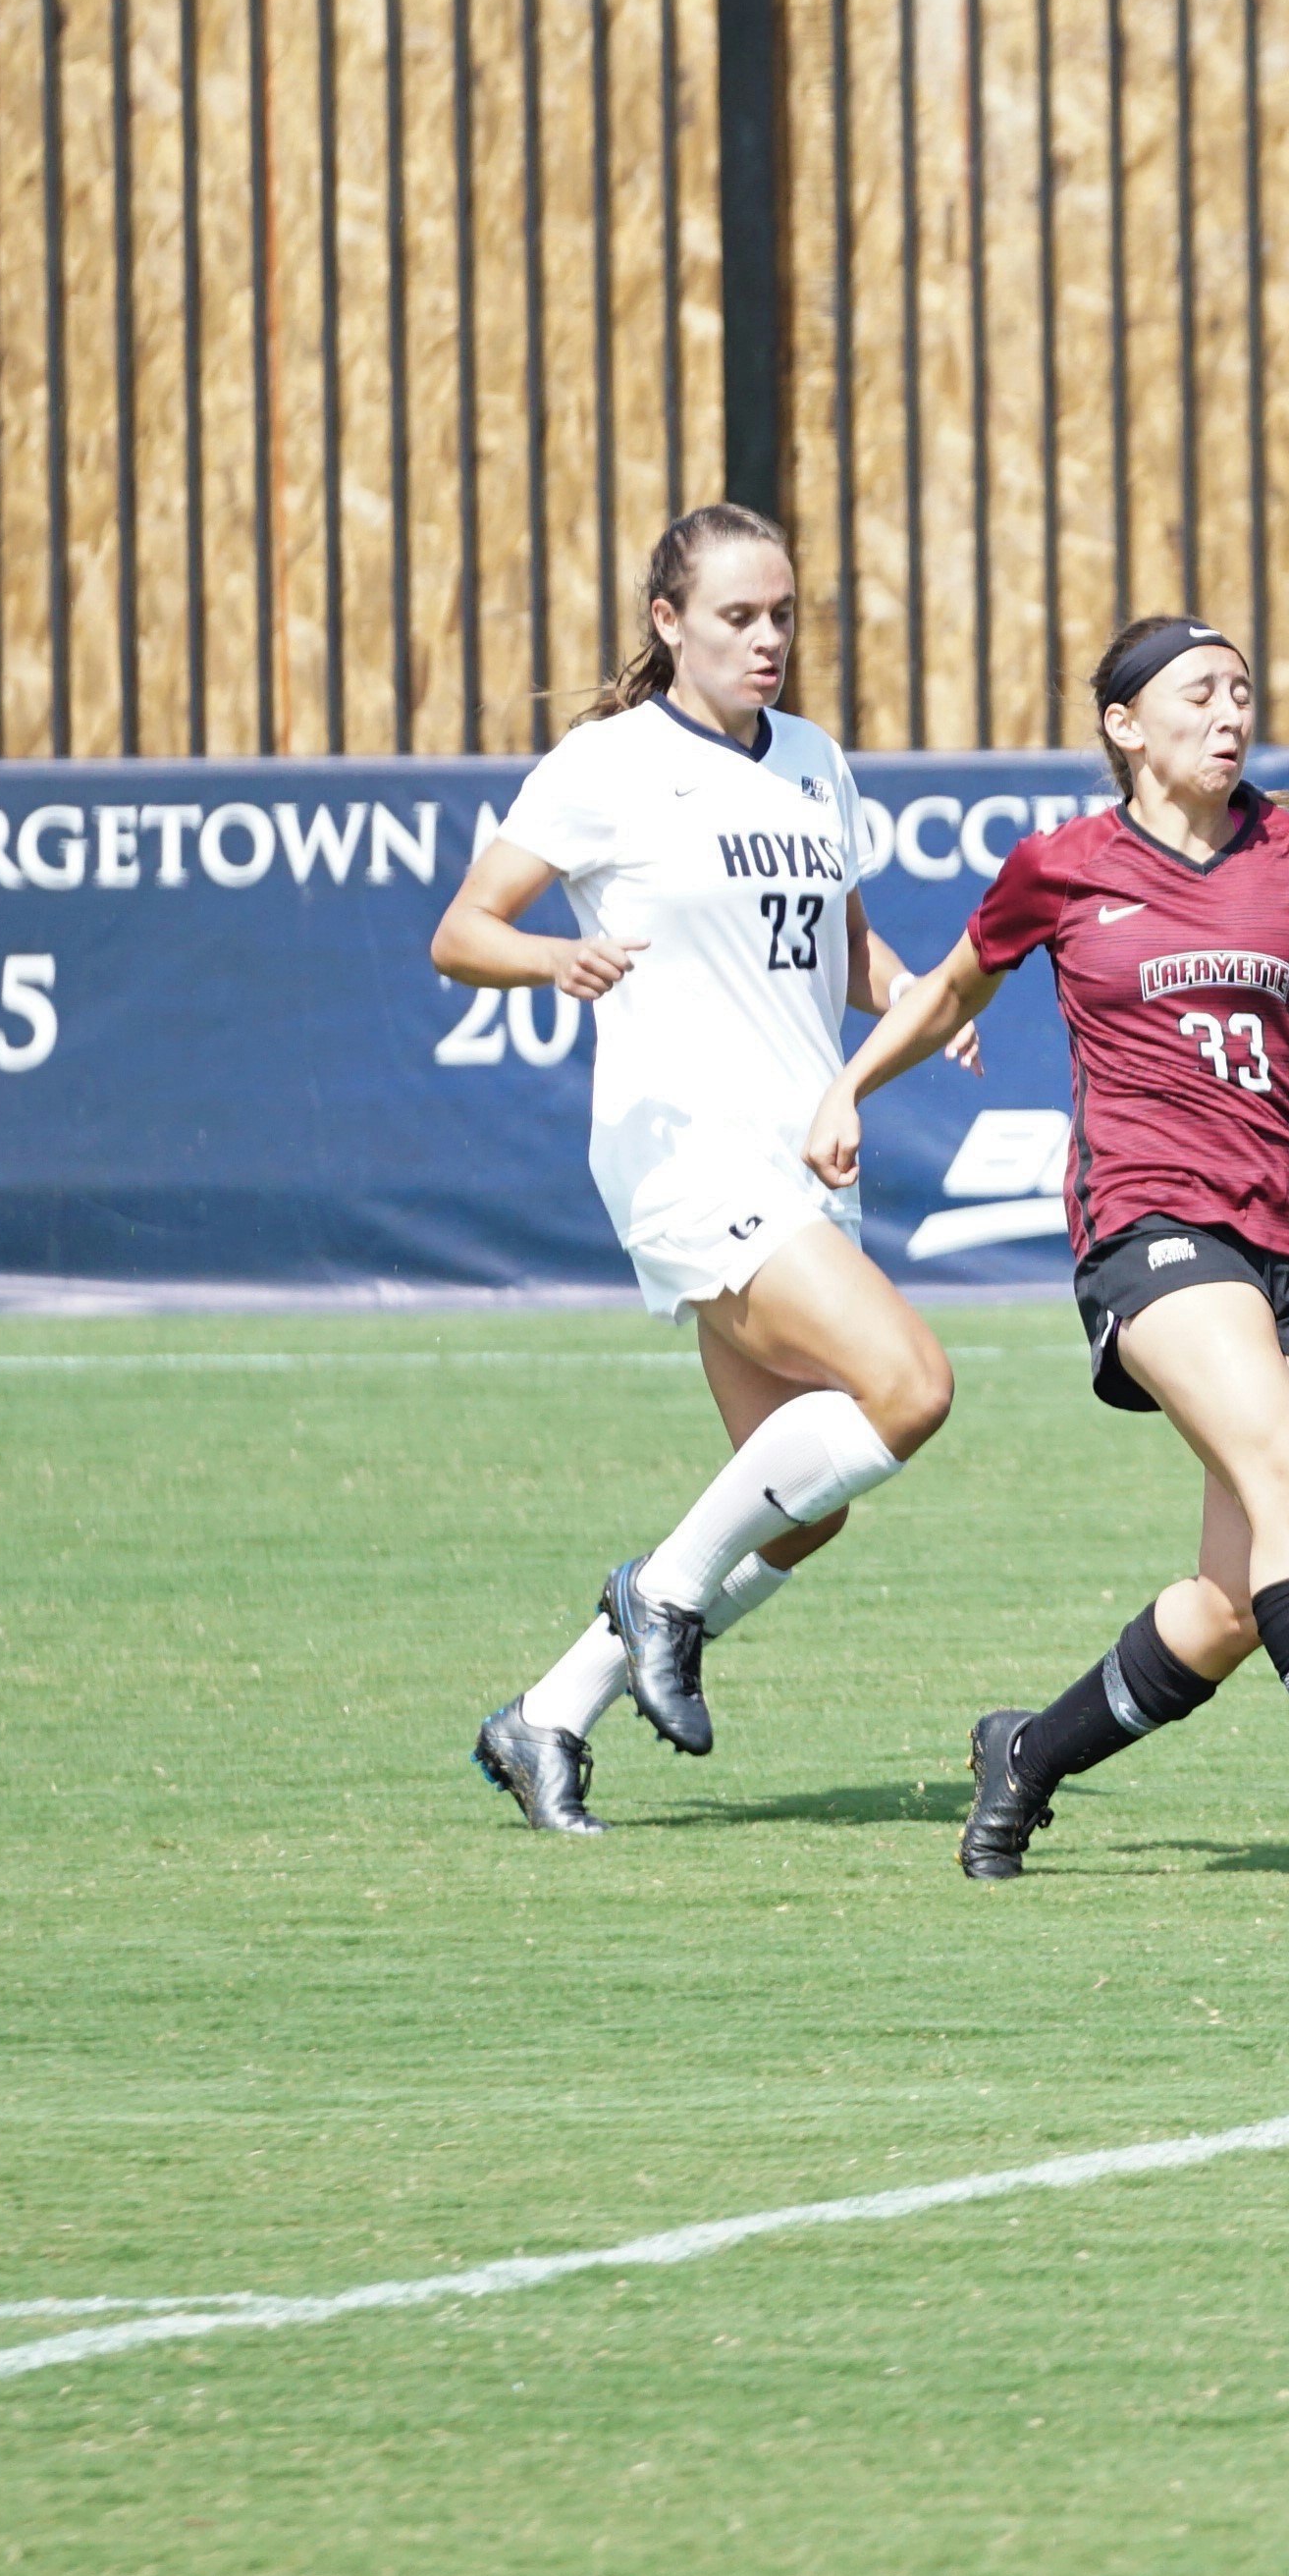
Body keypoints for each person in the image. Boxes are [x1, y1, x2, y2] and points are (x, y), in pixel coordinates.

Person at [813, 617, 1289, 1886]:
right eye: (1200, 693)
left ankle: (1025, 1755)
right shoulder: (1063, 865)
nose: (1231, 713)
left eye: (1243, 690)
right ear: (1127, 727)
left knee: (1241, 1598)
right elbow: (955, 986)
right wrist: (847, 1086)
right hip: (1156, 1222)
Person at [433, 503, 961, 1837]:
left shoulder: (815, 763)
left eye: (784, 614)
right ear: (670, 625)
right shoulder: (608, 764)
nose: (768, 639)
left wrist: (908, 1000)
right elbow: (461, 931)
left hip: (803, 1157)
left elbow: (837, 944)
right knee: (907, 1389)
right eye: (737, 616)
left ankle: (546, 1715)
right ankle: (660, 1599)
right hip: (684, 1149)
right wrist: (554, 958)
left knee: (801, 1510)